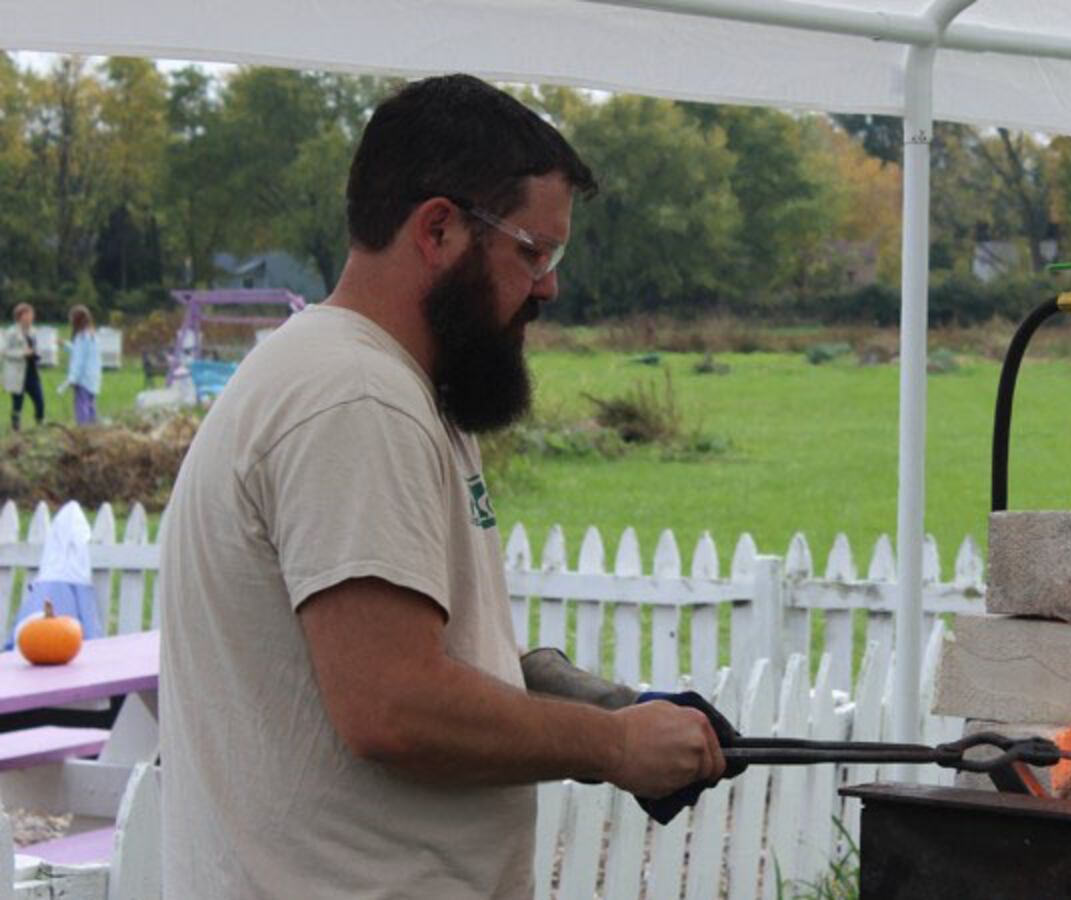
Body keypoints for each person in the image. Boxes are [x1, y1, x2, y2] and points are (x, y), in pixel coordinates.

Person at [158, 74, 726, 899]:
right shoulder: (354, 400)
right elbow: (391, 705)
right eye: (533, 251)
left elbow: (400, 660)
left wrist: (605, 704)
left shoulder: (394, 386)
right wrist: (612, 747)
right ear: (438, 228)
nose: (550, 286)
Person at [3, 303, 44, 431]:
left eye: (32, 314)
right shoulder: (11, 332)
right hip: (17, 373)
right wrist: (22, 353)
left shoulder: (34, 331)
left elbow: (37, 348)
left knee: (40, 401)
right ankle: (16, 429)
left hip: (32, 372)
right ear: (20, 316)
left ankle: (39, 424)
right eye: (28, 314)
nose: (31, 317)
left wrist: (36, 354)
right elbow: (4, 352)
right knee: (17, 404)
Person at [63, 306, 100, 425]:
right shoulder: (93, 336)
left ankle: (83, 432)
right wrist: (65, 345)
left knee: (81, 407)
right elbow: (82, 353)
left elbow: (78, 360)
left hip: (82, 379)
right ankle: (94, 429)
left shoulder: (81, 337)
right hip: (93, 377)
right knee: (91, 406)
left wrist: (72, 378)